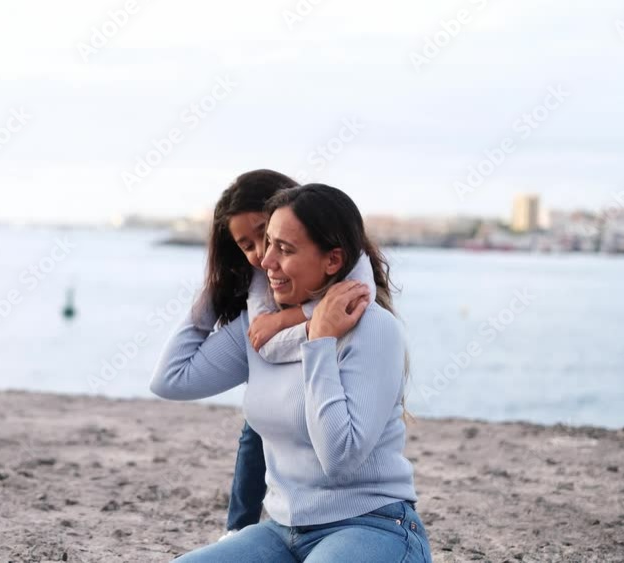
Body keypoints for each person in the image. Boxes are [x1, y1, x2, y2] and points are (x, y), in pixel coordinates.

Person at [150, 184, 432, 562]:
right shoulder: (261, 332)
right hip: (281, 532)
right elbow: (172, 379)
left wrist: (320, 342)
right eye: (266, 244)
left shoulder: (373, 329)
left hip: (371, 525)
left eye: (284, 249)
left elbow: (339, 459)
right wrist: (217, 288)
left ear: (332, 260)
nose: (265, 261)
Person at [202, 170, 376, 538]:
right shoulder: (263, 272)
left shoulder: (344, 263)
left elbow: (357, 295)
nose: (261, 255)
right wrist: (210, 293)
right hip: (294, 356)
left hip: (329, 352)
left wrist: (290, 319)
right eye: (247, 245)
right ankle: (240, 527)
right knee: (257, 427)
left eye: (265, 236)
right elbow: (170, 380)